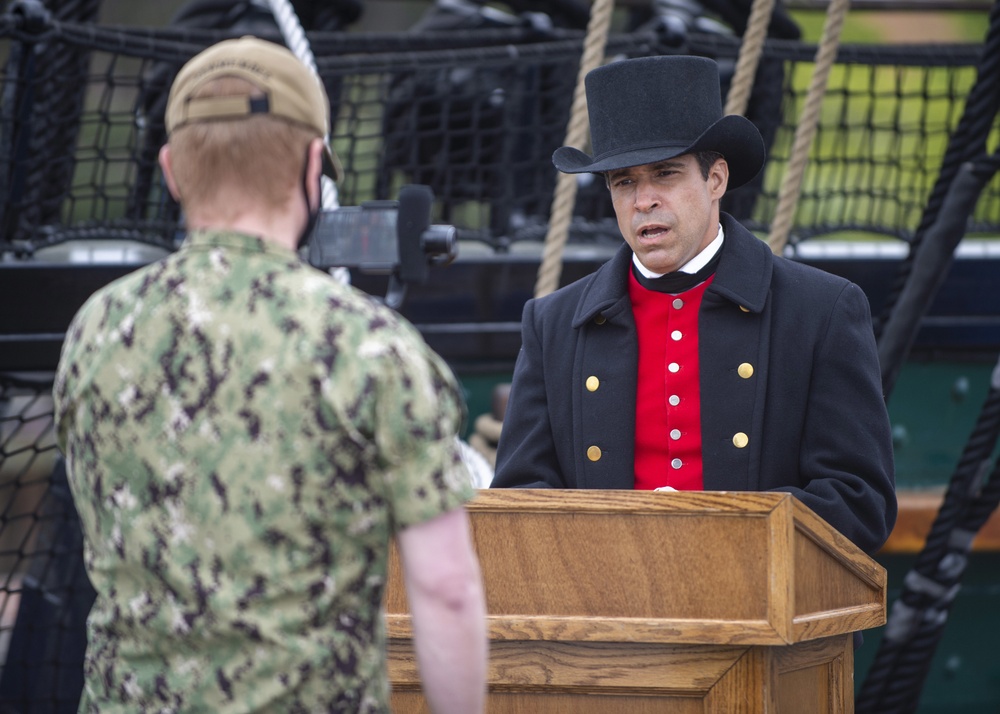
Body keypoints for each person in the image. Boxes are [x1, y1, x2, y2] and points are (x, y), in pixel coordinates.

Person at [53, 37, 486, 713]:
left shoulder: (94, 330)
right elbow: (446, 588)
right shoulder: (370, 347)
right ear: (315, 166)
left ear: (170, 169)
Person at [491, 55, 897, 556]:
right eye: (624, 181)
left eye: (665, 174)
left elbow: (860, 502)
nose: (643, 200)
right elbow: (518, 502)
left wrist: (709, 527)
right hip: (612, 620)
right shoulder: (552, 323)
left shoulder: (823, 310)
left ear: (716, 180)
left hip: (763, 616)